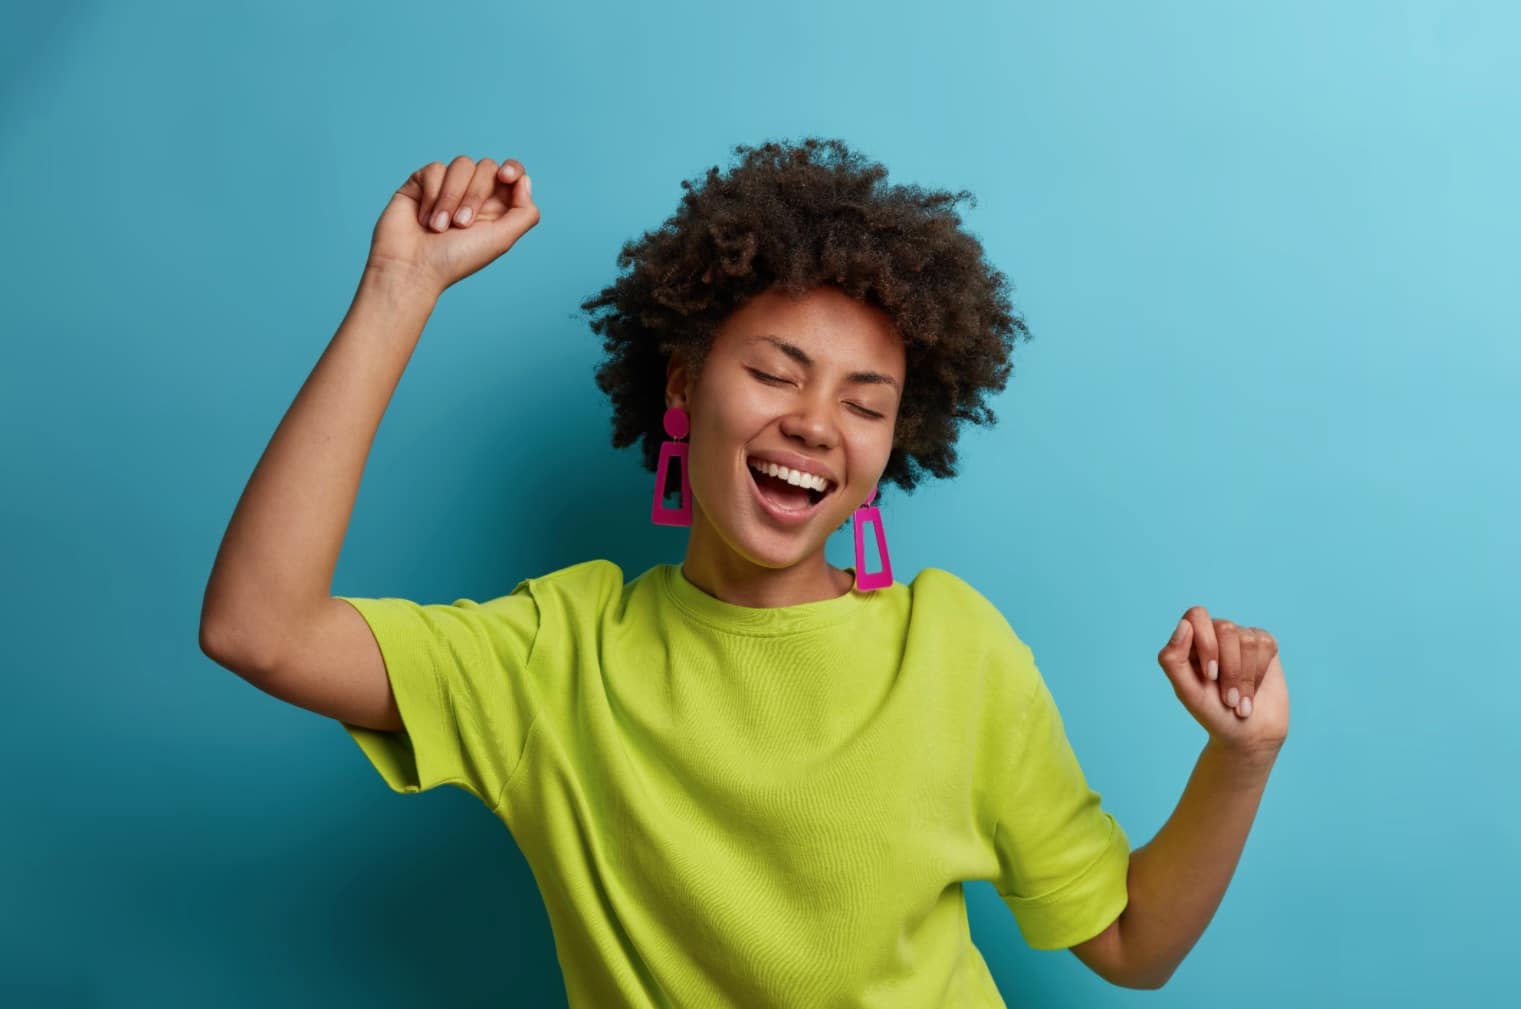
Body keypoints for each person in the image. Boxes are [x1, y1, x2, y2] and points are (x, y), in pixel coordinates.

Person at [200, 137, 1290, 1006]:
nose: (816, 425)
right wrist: (401, 285)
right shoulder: (557, 654)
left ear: (890, 448)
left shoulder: (952, 646)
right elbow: (260, 627)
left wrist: (1241, 757)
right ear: (682, 388)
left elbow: (1133, 943)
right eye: (776, 373)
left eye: (865, 404)